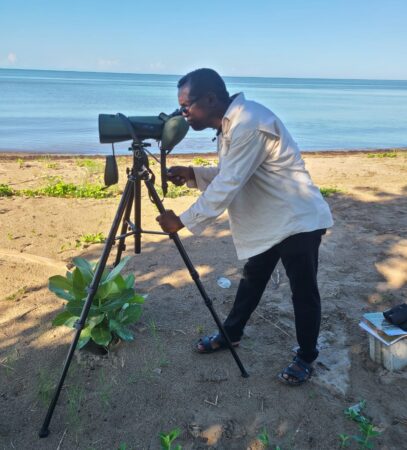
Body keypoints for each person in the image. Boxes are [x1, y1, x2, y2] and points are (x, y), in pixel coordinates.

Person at [156, 68, 333, 386]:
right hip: (273, 219)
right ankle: (232, 333)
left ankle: (306, 356)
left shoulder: (250, 122)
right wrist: (193, 173)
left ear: (210, 99)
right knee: (253, 278)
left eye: (186, 106)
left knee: (303, 292)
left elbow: (229, 182)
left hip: (297, 219)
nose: (183, 115)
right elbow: (234, 171)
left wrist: (182, 221)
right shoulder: (232, 124)